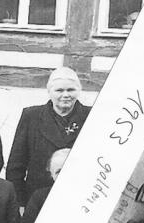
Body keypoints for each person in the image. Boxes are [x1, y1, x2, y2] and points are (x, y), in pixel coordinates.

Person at [6, 66, 91, 206]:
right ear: (49, 91)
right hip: (37, 199)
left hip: (79, 199)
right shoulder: (31, 116)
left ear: (79, 90)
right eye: (59, 90)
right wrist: (19, 203)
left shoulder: (92, 116)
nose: (65, 95)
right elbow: (16, 166)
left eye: (71, 90)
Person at [19, 148, 70, 223]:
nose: (64, 175)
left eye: (68, 168)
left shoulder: (91, 196)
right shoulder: (39, 198)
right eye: (58, 172)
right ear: (52, 175)